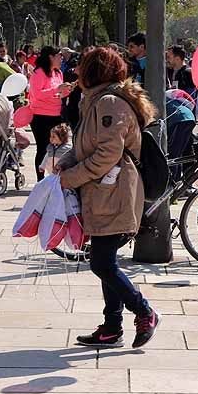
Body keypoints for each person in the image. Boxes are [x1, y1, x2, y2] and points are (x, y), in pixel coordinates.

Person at [60, 47, 160, 348]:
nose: (76, 72)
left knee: (101, 263)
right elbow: (88, 146)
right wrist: (66, 162)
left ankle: (144, 311)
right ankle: (111, 328)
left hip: (113, 193)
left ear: (93, 72)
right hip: (104, 192)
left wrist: (70, 177)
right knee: (107, 261)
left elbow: (107, 154)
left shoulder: (108, 103)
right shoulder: (97, 101)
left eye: (81, 67)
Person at [30, 47, 73, 182]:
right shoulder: (38, 73)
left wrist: (66, 90)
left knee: (60, 147)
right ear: (50, 57)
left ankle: (56, 176)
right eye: (59, 55)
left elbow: (59, 94)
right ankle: (40, 180)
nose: (61, 58)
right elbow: (37, 94)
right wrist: (57, 89)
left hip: (56, 114)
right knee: (43, 148)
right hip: (41, 116)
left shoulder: (58, 73)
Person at [165, 91, 196, 183]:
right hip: (190, 117)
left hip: (179, 120)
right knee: (179, 153)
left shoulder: (161, 101)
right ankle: (179, 180)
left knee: (173, 154)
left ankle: (174, 181)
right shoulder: (170, 99)